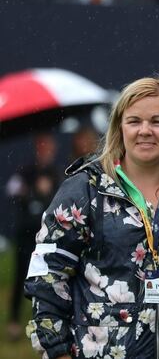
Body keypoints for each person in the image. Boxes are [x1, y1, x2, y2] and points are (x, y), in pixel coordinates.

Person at [25, 77, 159, 359]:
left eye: (157, 122)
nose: (145, 131)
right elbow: (46, 280)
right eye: (134, 121)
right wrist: (58, 352)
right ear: (119, 128)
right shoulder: (84, 189)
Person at [5, 133, 61, 341]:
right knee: (20, 275)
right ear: (38, 148)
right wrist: (30, 190)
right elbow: (12, 190)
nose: (47, 151)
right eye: (43, 147)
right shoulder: (27, 170)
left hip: (46, 235)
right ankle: (13, 320)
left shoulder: (55, 173)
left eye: (50, 147)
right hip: (26, 232)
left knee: (46, 278)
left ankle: (43, 321)